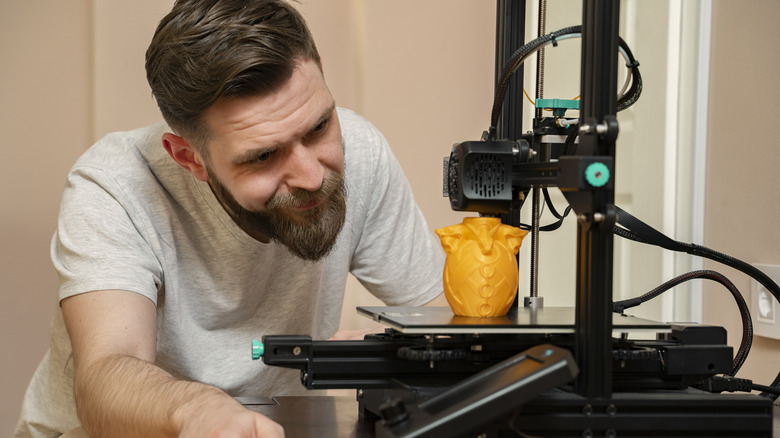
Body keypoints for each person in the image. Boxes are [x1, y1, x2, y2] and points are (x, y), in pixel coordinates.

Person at [15, 0, 445, 436]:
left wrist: (403, 352)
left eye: (318, 128)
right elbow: (106, 375)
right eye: (263, 156)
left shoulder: (360, 152)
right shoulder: (114, 185)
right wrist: (198, 409)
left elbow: (446, 317)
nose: (313, 177)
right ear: (189, 158)